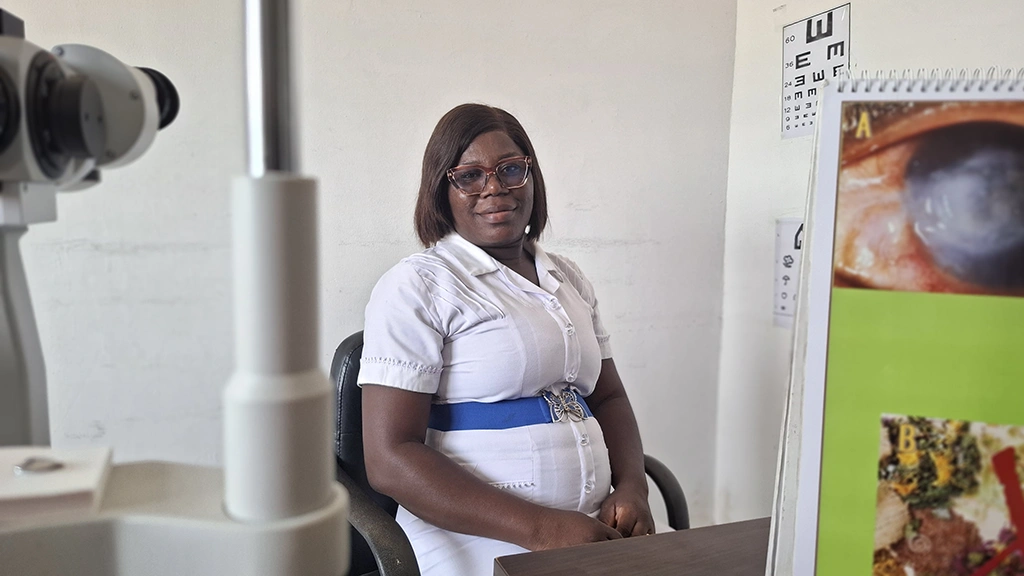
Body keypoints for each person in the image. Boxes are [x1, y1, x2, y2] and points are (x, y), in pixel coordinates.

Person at [357, 103, 654, 575]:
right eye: (470, 176)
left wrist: (633, 486)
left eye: (511, 169)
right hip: (473, 542)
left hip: (594, 531)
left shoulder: (568, 278)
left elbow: (610, 396)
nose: (494, 187)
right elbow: (391, 458)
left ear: (531, 179)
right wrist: (544, 530)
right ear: (441, 191)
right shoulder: (418, 285)